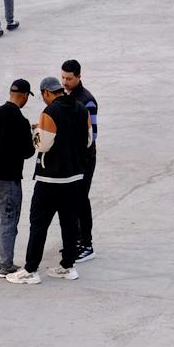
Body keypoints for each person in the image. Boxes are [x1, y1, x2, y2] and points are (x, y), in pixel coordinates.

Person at [5, 76, 91, 285]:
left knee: (39, 224)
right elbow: (88, 140)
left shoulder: (50, 112)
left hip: (50, 180)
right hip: (75, 178)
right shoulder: (81, 109)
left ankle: (31, 269)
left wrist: (36, 130)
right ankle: (67, 266)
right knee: (69, 224)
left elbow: (42, 145)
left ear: (46, 93)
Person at [0, 78, 34, 276]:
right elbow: (28, 152)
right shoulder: (21, 121)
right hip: (7, 178)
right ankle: (6, 265)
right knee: (8, 220)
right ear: (25, 96)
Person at [58, 59, 98, 262]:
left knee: (81, 199)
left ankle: (87, 244)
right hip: (71, 158)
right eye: (63, 77)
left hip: (84, 159)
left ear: (79, 77)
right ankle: (74, 239)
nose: (65, 82)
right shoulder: (66, 95)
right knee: (71, 200)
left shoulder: (87, 100)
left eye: (69, 78)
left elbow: (93, 135)